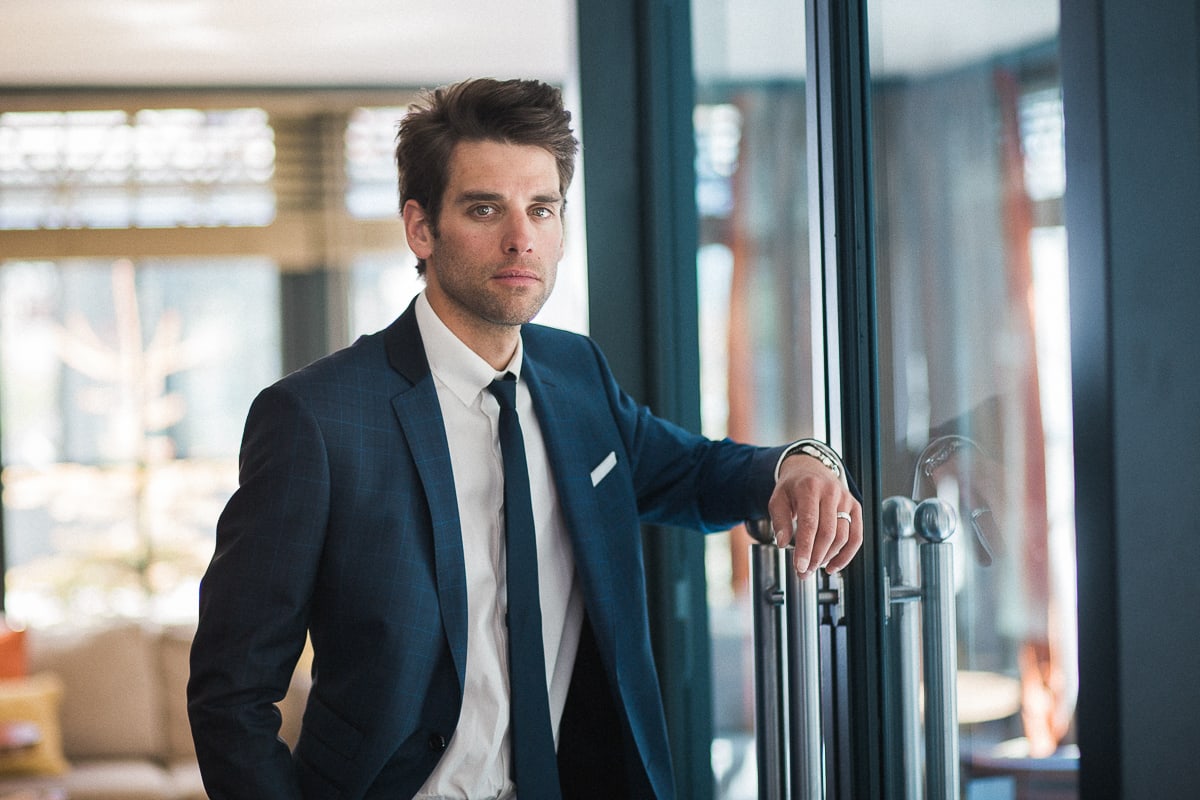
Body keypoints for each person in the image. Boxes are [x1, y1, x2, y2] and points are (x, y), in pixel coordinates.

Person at [187, 77, 862, 800]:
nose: (521, 237)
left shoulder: (577, 376)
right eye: (485, 209)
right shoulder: (316, 419)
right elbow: (232, 693)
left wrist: (804, 463)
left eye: (542, 209)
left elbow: (695, 473)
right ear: (421, 228)